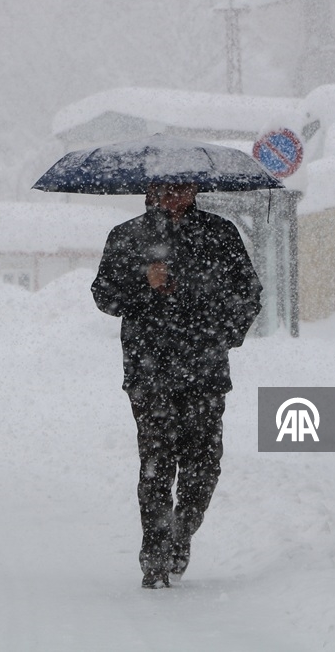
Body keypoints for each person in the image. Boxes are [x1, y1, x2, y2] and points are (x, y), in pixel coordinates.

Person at [91, 182, 262, 589]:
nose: (174, 195)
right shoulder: (127, 236)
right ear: (149, 189)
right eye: (165, 187)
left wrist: (222, 333)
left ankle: (181, 532)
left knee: (204, 465)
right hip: (150, 373)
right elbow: (104, 297)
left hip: (204, 370)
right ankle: (154, 553)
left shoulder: (220, 234)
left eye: (182, 187)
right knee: (156, 465)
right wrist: (142, 282)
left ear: (196, 189)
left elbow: (249, 294)